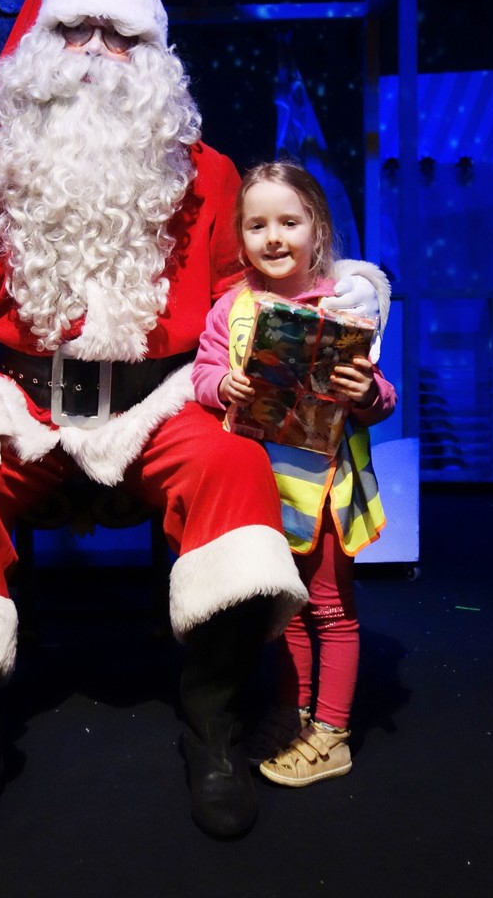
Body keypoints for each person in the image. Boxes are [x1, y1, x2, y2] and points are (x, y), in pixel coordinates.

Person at [0, 0, 382, 854]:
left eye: (121, 34)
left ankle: (215, 733)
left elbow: (239, 291)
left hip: (162, 403)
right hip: (22, 404)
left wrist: (309, 325)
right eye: (76, 29)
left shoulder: (209, 174)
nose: (96, 52)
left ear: (154, 55)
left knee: (233, 468)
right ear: (39, 44)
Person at [191, 160, 396, 788]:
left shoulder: (346, 305)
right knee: (284, 610)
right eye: (257, 225)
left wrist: (366, 393)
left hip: (326, 488)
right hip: (263, 487)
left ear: (318, 229)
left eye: (289, 222)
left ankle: (331, 731)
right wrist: (221, 386)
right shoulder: (232, 307)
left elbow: (383, 396)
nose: (273, 237)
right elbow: (202, 372)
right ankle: (295, 711)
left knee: (330, 609)